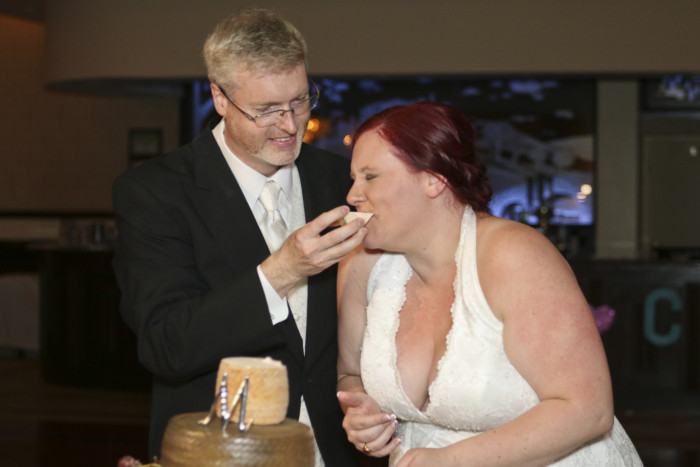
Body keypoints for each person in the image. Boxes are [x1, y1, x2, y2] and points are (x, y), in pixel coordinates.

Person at [112, 9, 365, 466]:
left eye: (301, 100)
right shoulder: (155, 192)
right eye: (266, 110)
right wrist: (281, 272)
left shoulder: (340, 180)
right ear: (220, 98)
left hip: (338, 449)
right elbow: (167, 345)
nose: (291, 125)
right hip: (223, 452)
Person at [336, 101, 643, 466]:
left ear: (434, 179)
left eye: (370, 177)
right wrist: (361, 416)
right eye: (353, 178)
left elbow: (587, 410)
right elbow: (349, 373)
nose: (353, 196)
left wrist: (451, 461)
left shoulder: (513, 255)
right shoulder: (361, 265)